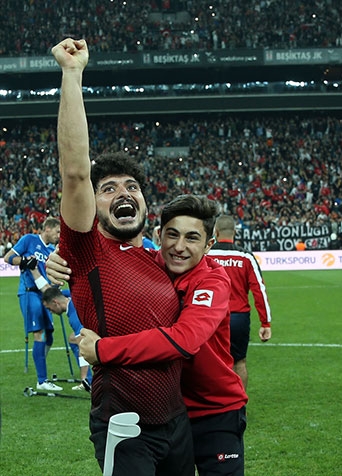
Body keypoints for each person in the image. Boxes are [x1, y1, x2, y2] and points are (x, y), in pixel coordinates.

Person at [51, 37, 193, 476]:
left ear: (146, 202)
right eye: (108, 189)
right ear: (94, 206)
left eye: (131, 186)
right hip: (125, 425)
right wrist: (72, 74)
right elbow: (76, 171)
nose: (123, 193)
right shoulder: (88, 250)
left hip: (177, 422)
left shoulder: (160, 259)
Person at [52, 195, 248, 475]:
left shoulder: (212, 280)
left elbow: (185, 339)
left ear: (208, 245)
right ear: (158, 235)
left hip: (214, 411)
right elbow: (97, 253)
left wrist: (103, 350)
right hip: (170, 413)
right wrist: (60, 260)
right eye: (172, 235)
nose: (179, 247)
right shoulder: (149, 265)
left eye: (192, 238)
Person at [208, 214, 272, 389]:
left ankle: (217, 407)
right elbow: (259, 291)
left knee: (213, 363)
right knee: (240, 362)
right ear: (235, 232)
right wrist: (265, 322)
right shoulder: (246, 257)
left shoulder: (206, 255)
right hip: (238, 318)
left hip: (210, 317)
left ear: (216, 231)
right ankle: (239, 406)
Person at [3, 217, 61, 391]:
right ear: (48, 229)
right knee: (40, 333)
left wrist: (56, 283)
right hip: (29, 293)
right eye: (57, 231)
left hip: (46, 294)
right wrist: (23, 261)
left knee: (49, 335)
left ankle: (40, 368)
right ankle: (42, 380)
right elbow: (8, 257)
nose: (59, 235)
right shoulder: (29, 239)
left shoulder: (51, 250)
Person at [41, 286, 92, 390]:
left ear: (55, 302)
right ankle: (89, 378)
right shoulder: (71, 295)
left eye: (49, 308)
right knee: (72, 339)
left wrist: (83, 379)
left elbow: (83, 348)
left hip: (102, 329)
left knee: (80, 343)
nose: (50, 312)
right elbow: (61, 293)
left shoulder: (74, 317)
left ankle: (87, 379)